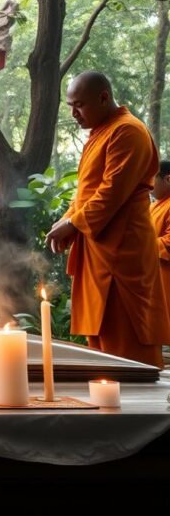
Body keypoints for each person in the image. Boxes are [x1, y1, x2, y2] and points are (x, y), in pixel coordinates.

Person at [46, 71, 170, 367]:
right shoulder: (100, 133)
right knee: (100, 342)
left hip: (122, 252)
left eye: (79, 105)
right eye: (70, 107)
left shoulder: (128, 131)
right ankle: (105, 401)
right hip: (98, 250)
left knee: (126, 341)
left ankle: (136, 410)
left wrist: (74, 224)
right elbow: (85, 193)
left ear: (104, 97)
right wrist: (66, 222)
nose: (74, 114)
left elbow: (112, 191)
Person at [150, 161, 170, 321]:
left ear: (168, 179)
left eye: (151, 178)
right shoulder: (153, 206)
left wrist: (139, 245)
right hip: (151, 279)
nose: (148, 184)